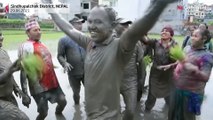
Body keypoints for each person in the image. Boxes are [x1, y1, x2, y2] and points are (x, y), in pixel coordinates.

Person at [44, 0, 177, 119]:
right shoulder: (89, 43)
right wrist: (50, 6)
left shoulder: (120, 46)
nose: (91, 26)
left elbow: (135, 31)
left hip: (109, 117)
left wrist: (159, 5)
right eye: (90, 21)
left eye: (98, 22)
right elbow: (68, 28)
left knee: (130, 111)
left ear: (112, 26)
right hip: (91, 115)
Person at [18, 19, 67, 120]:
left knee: (63, 101)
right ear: (27, 32)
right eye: (35, 30)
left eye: (39, 29)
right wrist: (25, 94)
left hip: (53, 83)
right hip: (38, 87)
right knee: (43, 112)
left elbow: (46, 62)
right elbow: (23, 71)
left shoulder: (41, 44)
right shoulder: (26, 46)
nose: (39, 32)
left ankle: (59, 115)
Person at [168, 28, 213, 120]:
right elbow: (181, 62)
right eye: (192, 35)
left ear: (204, 39)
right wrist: (172, 65)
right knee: (172, 114)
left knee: (187, 117)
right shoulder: (187, 49)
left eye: (195, 36)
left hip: (191, 94)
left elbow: (205, 77)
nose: (192, 38)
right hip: (177, 90)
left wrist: (195, 70)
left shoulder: (207, 56)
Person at [142, 26, 177, 112]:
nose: (163, 32)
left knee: (169, 95)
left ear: (171, 35)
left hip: (168, 75)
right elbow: (145, 40)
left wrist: (170, 65)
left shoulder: (175, 45)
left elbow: (179, 61)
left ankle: (170, 111)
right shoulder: (155, 42)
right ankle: (147, 111)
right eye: (162, 31)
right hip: (155, 74)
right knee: (152, 94)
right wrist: (140, 30)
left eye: (166, 31)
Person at [115, 18, 143, 120]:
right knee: (114, 111)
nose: (126, 27)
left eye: (128, 25)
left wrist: (141, 81)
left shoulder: (136, 42)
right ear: (115, 26)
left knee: (131, 111)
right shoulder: (109, 41)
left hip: (130, 82)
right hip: (113, 82)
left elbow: (141, 63)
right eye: (123, 25)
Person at [0, 32, 29, 120]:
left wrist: (17, 88)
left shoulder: (3, 52)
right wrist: (9, 71)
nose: (2, 37)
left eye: (1, 34)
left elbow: (8, 72)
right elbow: (8, 72)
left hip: (8, 95)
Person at [57, 17, 86, 105]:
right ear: (71, 25)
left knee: (90, 92)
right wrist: (64, 63)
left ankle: (89, 108)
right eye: (78, 23)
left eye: (81, 23)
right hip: (73, 72)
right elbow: (60, 55)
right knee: (76, 93)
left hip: (87, 72)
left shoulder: (85, 38)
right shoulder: (63, 40)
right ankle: (77, 108)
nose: (81, 25)